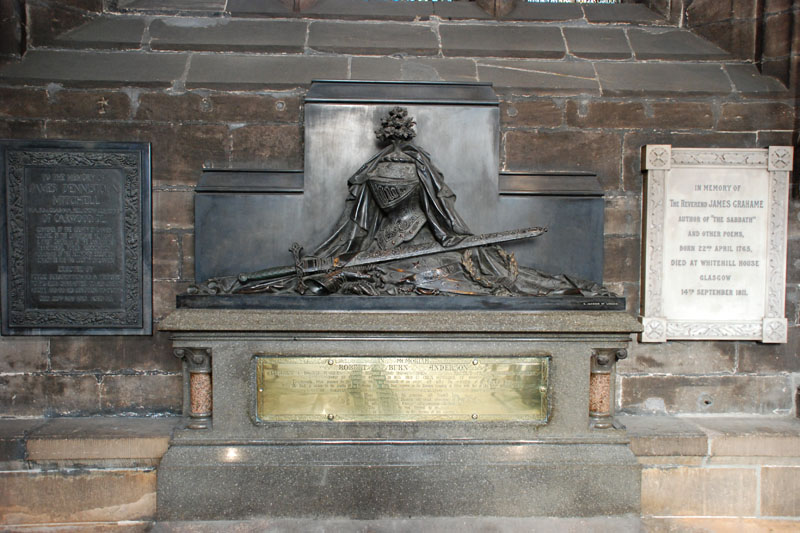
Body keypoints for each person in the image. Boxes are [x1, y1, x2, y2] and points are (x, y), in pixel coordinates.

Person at [192, 107, 610, 297]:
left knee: (478, 276)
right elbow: (347, 261)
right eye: (382, 188)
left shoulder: (428, 225)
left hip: (430, 255)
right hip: (367, 261)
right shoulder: (366, 238)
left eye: (400, 187)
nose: (389, 194)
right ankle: (247, 282)